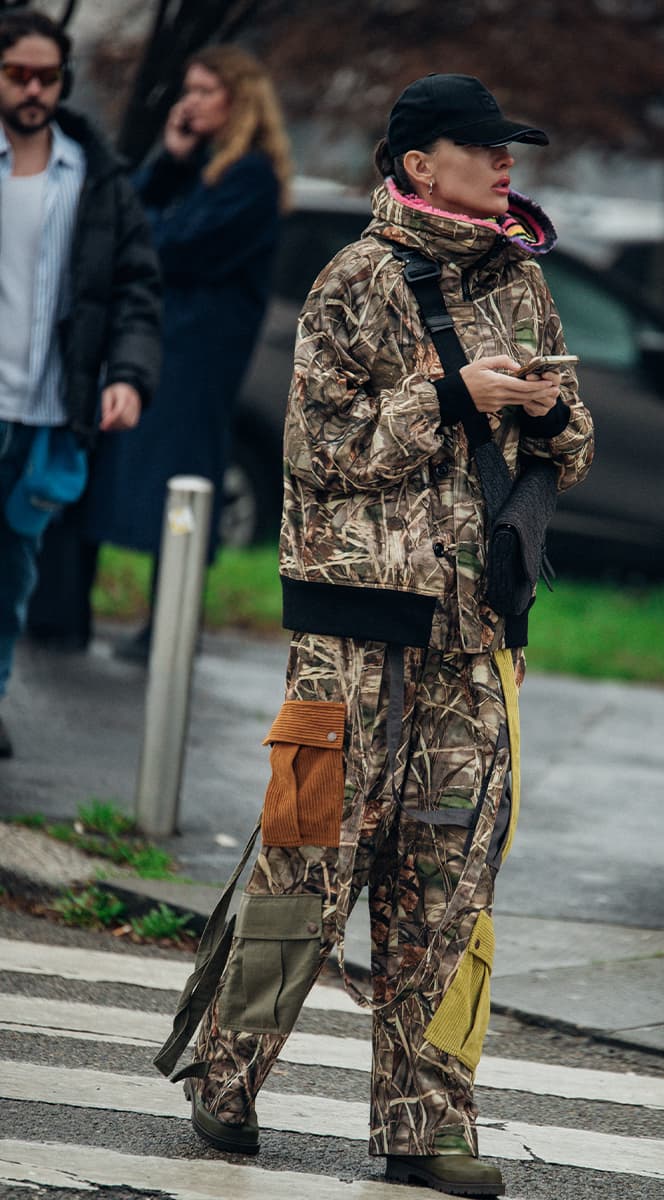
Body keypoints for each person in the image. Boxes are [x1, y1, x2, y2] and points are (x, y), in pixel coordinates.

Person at [155, 74, 594, 1197]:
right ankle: (225, 1075)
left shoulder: (523, 282)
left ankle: (424, 1127)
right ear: (415, 164)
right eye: (482, 147)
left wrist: (545, 417)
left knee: (447, 891)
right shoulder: (353, 279)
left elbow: (572, 446)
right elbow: (319, 450)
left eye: (509, 146)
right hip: (351, 642)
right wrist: (452, 396)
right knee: (309, 872)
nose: (506, 164)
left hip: (474, 637)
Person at [29, 44, 291, 662]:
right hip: (152, 342)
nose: (188, 101)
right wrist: (168, 160)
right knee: (108, 468)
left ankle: (167, 627)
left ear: (238, 99)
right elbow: (127, 219)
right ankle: (65, 613)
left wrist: (155, 214)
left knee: (180, 479)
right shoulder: (197, 165)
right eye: (188, 88)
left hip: (198, 354)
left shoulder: (248, 177)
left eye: (204, 90)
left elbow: (166, 245)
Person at [0, 8, 161, 759]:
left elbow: (134, 287)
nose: (34, 89)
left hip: (46, 413)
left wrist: (126, 375)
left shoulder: (92, 175)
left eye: (47, 76)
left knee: (12, 575)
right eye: (17, 74)